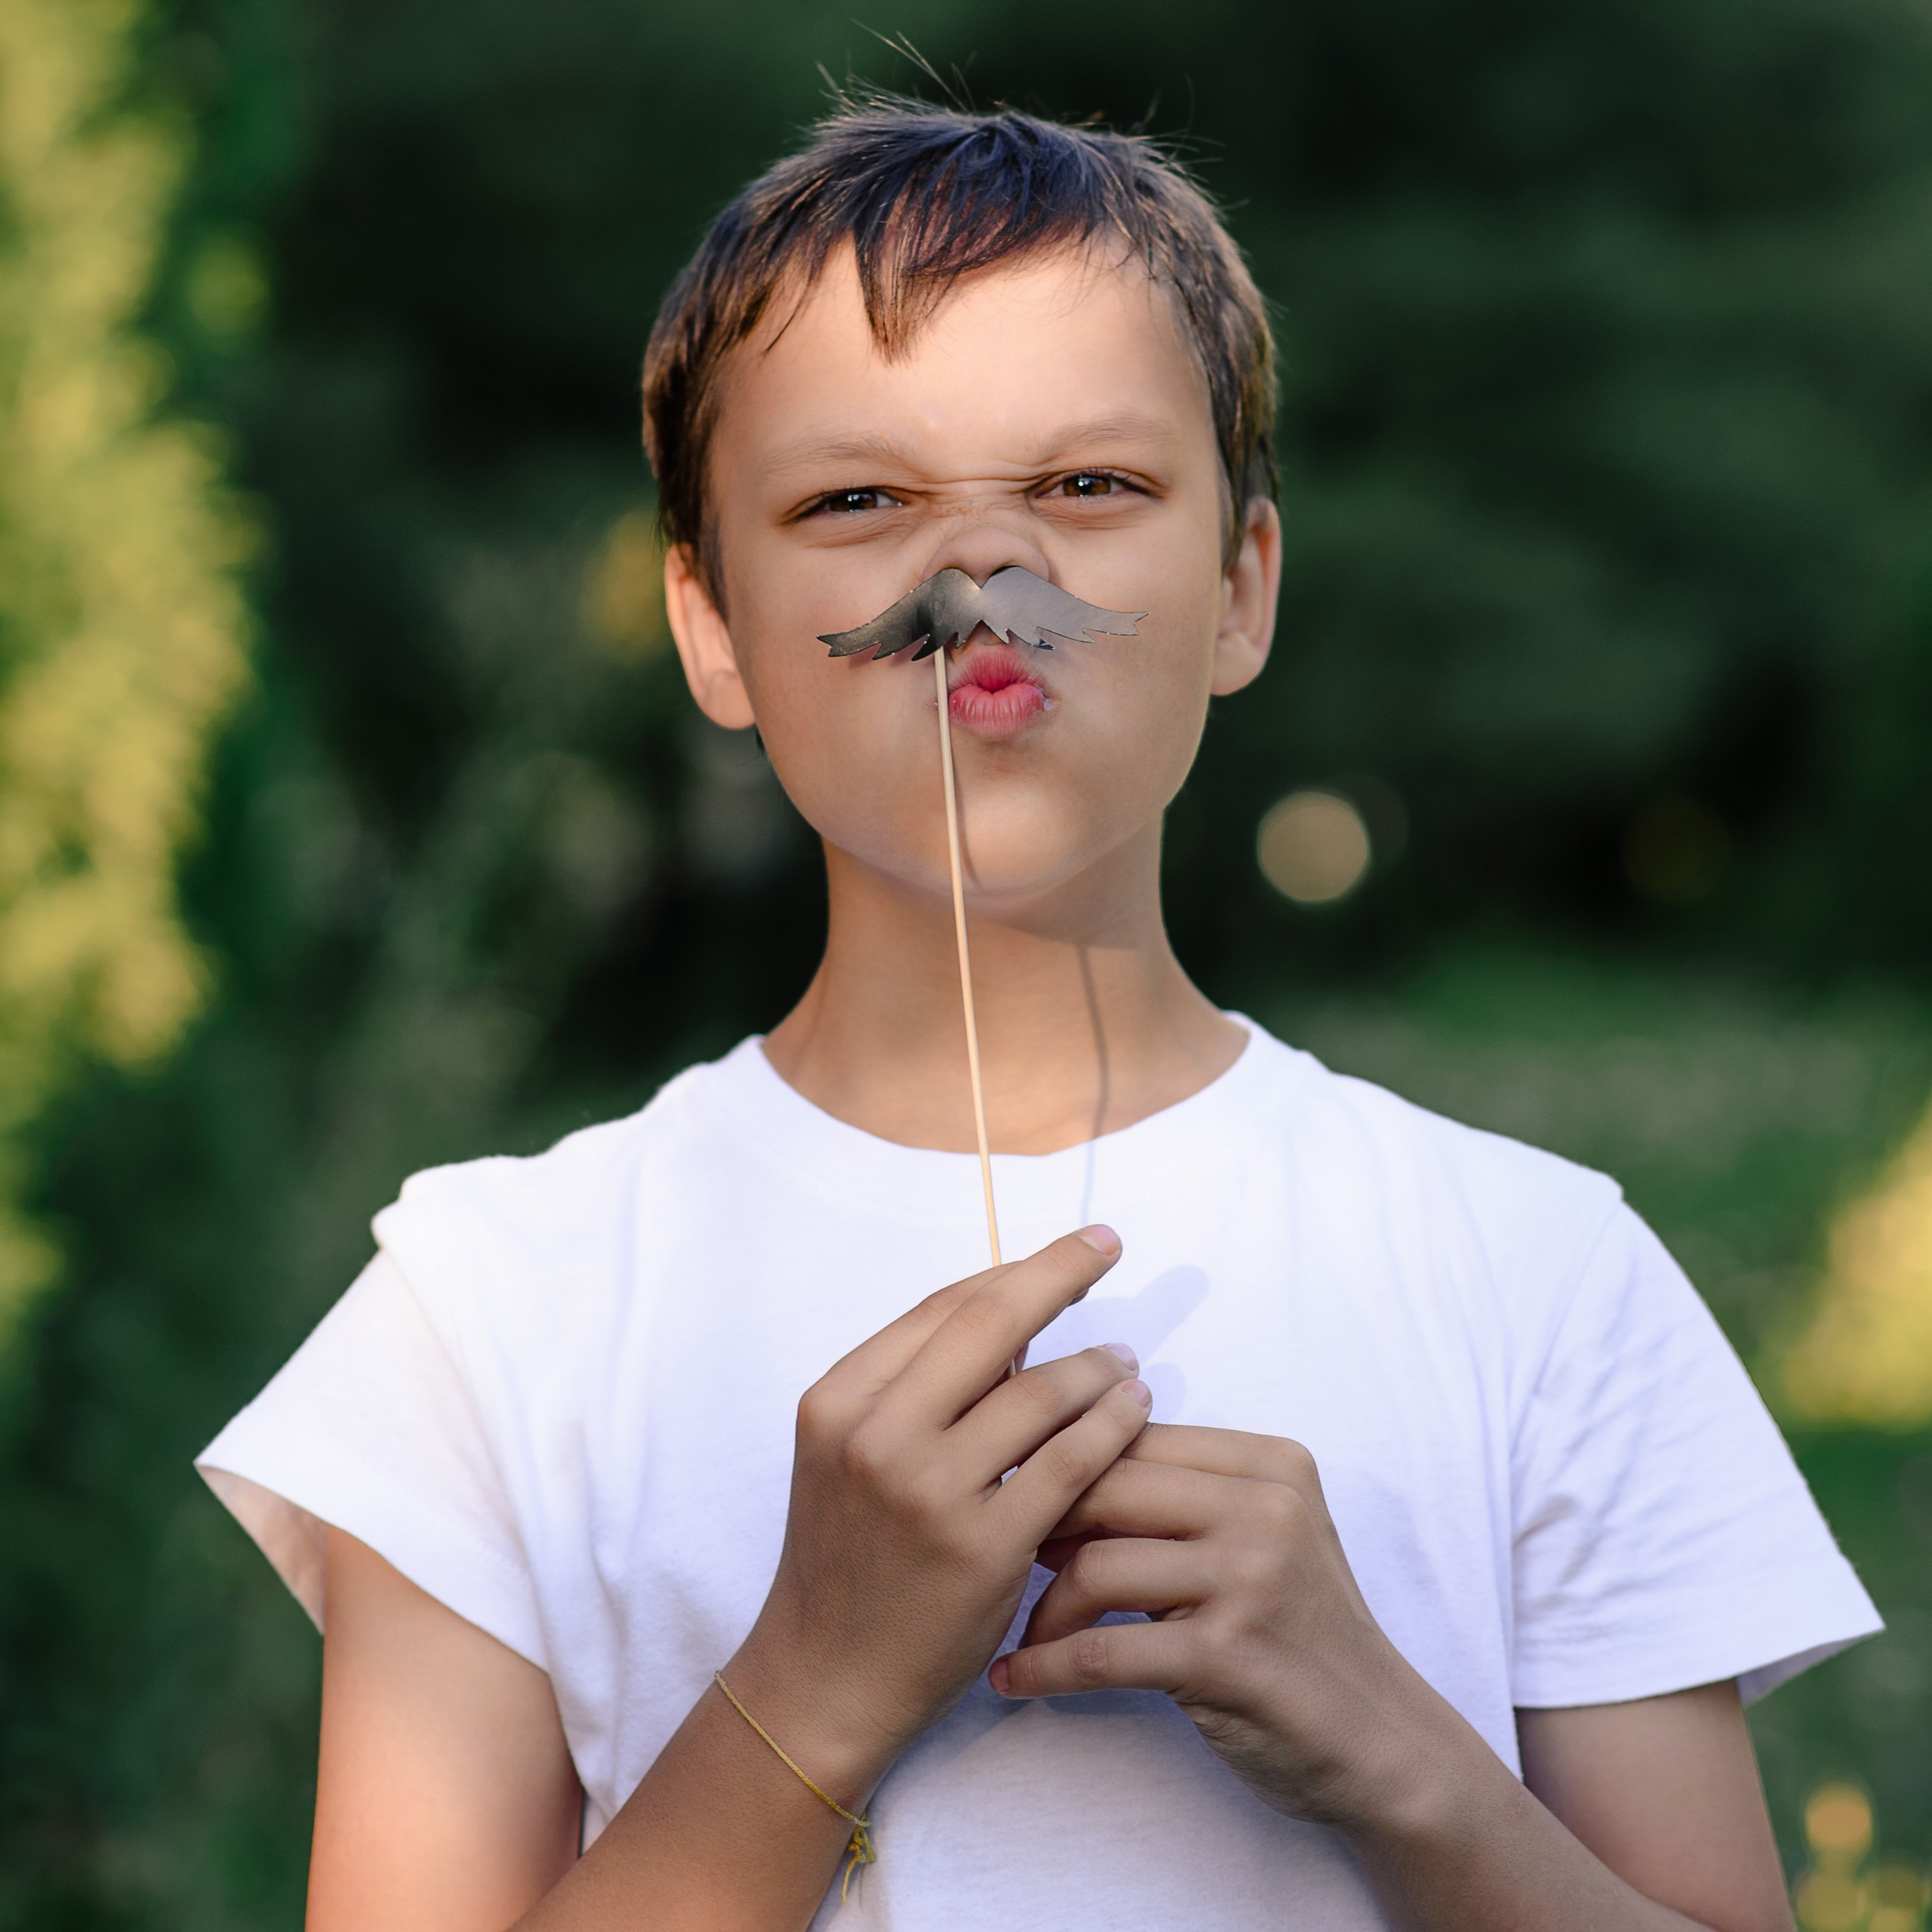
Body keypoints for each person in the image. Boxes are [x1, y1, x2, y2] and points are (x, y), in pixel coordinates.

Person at [198, 98, 1878, 1932]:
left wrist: (1388, 1739)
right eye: (855, 501)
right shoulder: (488, 1313)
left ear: (1237, 589)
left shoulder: (1537, 1275)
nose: (980, 578)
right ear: (710, 625)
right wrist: (809, 1684)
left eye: (1085, 486)